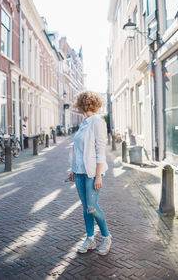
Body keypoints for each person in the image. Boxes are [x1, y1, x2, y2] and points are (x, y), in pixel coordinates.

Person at [69, 91, 112, 256]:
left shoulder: (97, 123)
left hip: (93, 172)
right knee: (86, 207)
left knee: (92, 207)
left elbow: (101, 151)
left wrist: (99, 175)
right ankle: (90, 239)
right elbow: (77, 150)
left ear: (82, 104)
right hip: (79, 172)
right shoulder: (84, 123)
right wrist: (73, 169)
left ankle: (106, 237)